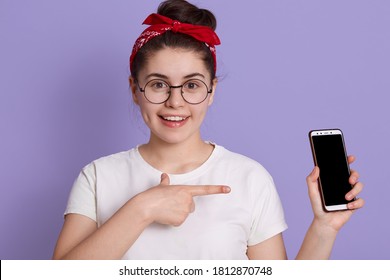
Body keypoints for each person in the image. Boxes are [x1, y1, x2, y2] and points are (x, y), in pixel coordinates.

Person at [52, 0, 364, 260]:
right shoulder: (97, 177)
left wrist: (325, 227)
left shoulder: (249, 178)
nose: (176, 102)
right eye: (158, 84)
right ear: (135, 90)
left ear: (212, 90)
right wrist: (141, 208)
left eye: (192, 85)